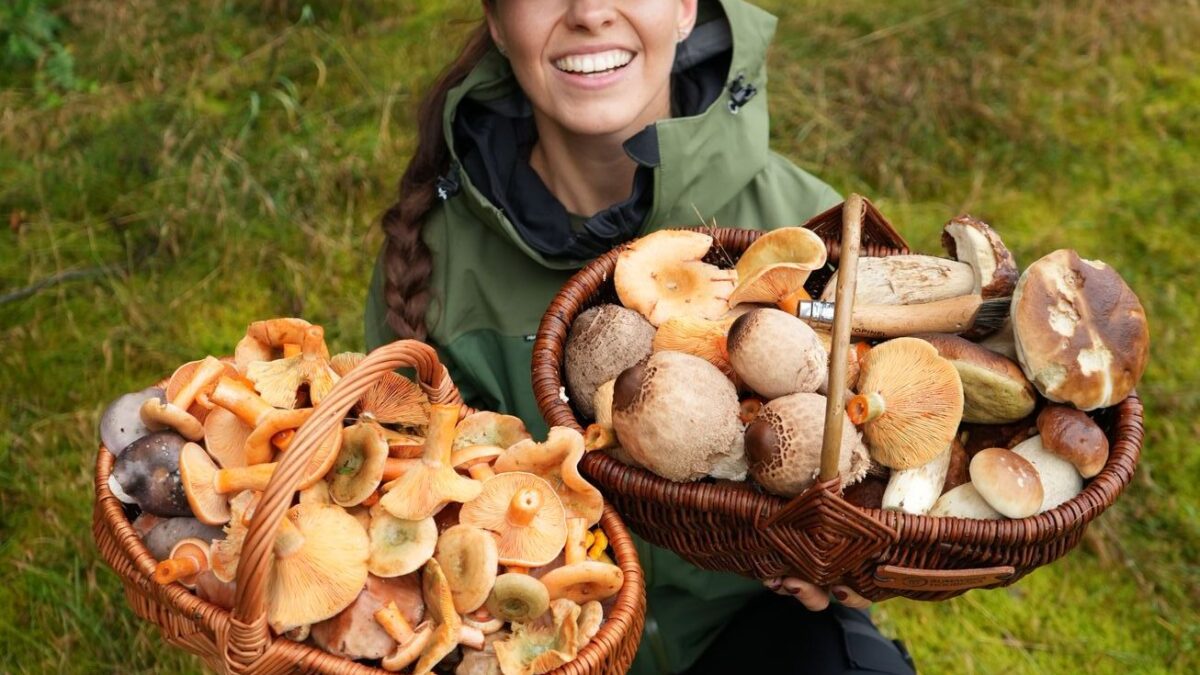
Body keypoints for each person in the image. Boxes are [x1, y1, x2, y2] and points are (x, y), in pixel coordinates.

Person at [364, 0, 916, 672]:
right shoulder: (438, 265)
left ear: (685, 8)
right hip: (542, 649)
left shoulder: (799, 233)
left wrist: (854, 563)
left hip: (746, 636)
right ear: (499, 21)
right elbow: (401, 516)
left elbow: (880, 456)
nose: (591, 12)